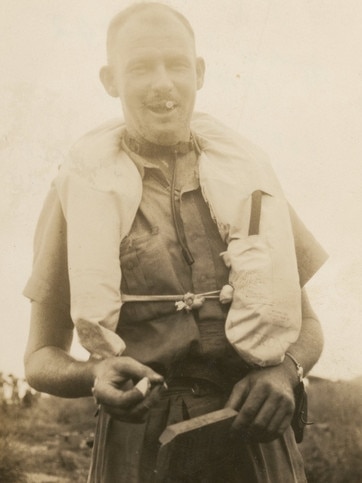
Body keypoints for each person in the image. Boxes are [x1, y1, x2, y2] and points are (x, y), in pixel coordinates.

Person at [24, 3, 327, 482]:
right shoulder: (79, 192)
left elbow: (307, 324)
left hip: (255, 435)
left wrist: (285, 371)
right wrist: (94, 375)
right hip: (140, 446)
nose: (162, 82)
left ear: (200, 73)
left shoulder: (249, 179)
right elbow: (40, 358)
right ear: (110, 80)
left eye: (177, 64)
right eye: (141, 67)